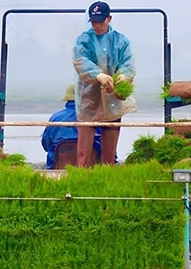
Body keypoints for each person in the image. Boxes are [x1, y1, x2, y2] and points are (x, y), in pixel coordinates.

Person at [72, 1, 136, 167]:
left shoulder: (121, 41)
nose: (97, 25)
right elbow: (80, 60)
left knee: (111, 136)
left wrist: (122, 77)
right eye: (94, 22)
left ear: (109, 18)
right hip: (89, 95)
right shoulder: (83, 40)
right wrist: (98, 75)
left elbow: (128, 64)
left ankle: (108, 171)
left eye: (100, 21)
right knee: (85, 138)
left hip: (112, 94)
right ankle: (82, 174)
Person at [40, 84, 102, 169]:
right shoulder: (97, 117)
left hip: (58, 164)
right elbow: (106, 145)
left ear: (67, 100)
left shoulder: (55, 118)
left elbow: (46, 144)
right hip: (92, 166)